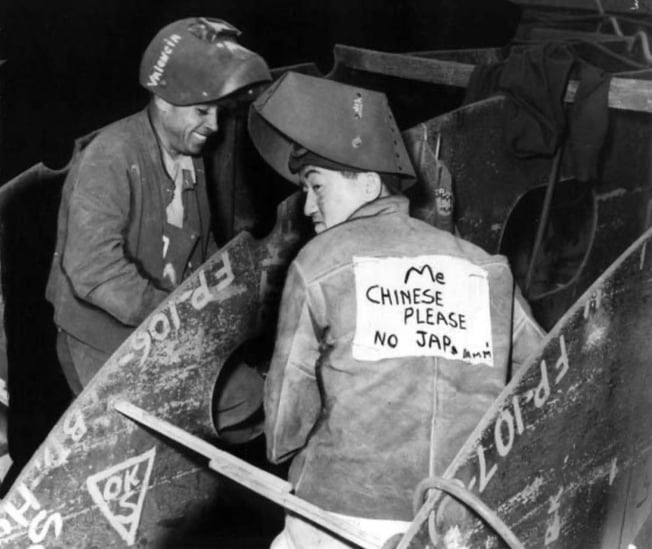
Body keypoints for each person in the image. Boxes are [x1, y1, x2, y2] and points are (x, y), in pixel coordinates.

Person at [248, 72, 545, 548]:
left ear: (367, 184)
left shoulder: (319, 262)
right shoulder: (485, 266)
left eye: (317, 187)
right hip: (459, 513)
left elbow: (285, 424)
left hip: (342, 512)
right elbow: (543, 370)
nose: (307, 207)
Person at [46, 17, 271, 403]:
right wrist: (180, 317)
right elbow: (93, 271)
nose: (214, 125)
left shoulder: (188, 150)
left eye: (219, 111)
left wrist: (229, 291)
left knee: (252, 399)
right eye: (202, 111)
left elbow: (198, 246)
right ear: (164, 101)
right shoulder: (110, 156)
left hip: (163, 326)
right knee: (150, 435)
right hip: (102, 337)